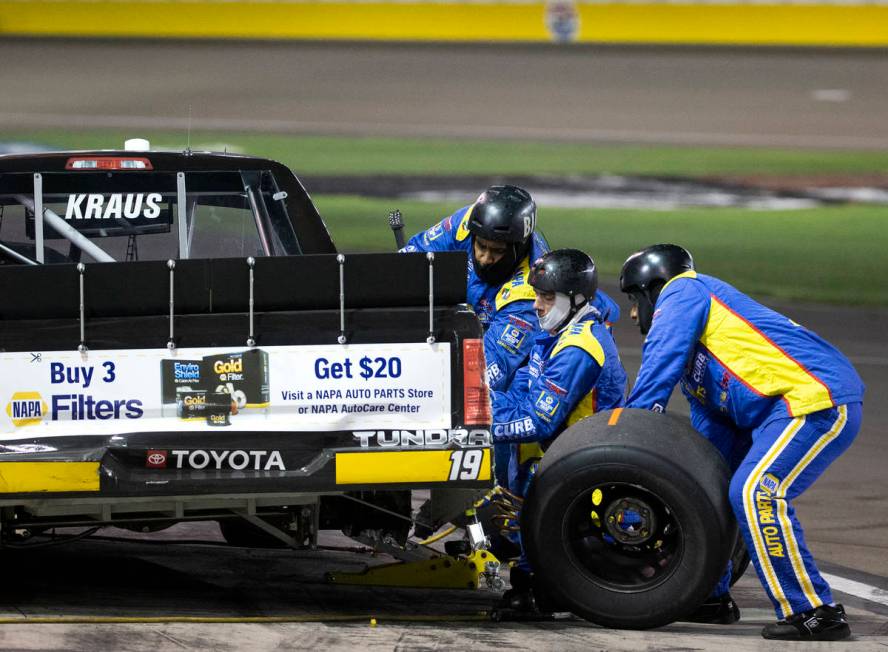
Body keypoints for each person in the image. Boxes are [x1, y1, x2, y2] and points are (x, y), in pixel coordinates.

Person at [620, 243, 865, 641]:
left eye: (634, 299)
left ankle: (815, 611)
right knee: (709, 489)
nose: (633, 313)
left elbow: (658, 364)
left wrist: (627, 433)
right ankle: (709, 597)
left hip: (815, 399)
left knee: (755, 492)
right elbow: (710, 441)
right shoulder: (700, 361)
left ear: (654, 288)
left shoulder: (684, 290)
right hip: (780, 410)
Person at [491, 249, 627, 608]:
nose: (537, 305)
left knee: (533, 479)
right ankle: (530, 571)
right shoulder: (554, 333)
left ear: (576, 299)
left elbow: (539, 420)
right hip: (561, 452)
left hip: (580, 462)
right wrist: (482, 403)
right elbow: (521, 391)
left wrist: (480, 423)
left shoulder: (579, 346)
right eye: (537, 295)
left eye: (547, 297)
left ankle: (541, 586)